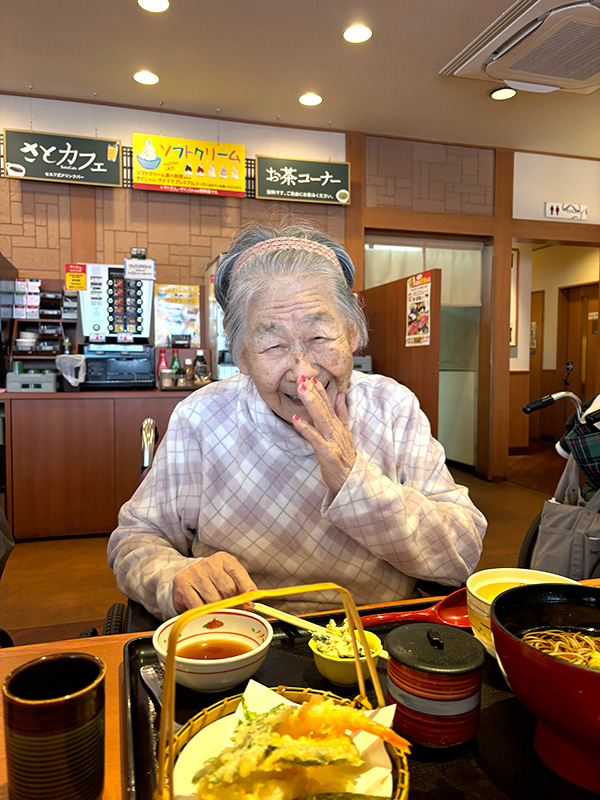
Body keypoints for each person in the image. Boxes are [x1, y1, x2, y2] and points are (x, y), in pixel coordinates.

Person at [108, 221, 486, 620]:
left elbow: (461, 555)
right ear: (240, 356)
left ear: (352, 333)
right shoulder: (203, 416)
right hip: (239, 634)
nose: (303, 373)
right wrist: (176, 576)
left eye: (320, 337)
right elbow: (135, 539)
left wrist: (353, 478)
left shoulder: (392, 406)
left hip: (375, 634)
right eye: (272, 345)